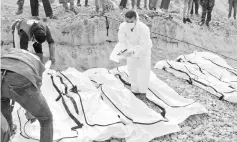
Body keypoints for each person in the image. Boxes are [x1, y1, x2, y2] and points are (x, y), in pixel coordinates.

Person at [1, 48, 53, 142]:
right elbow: (35, 91)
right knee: (46, 119)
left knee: (3, 99)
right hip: (21, 77)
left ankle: (9, 131)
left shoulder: (13, 50)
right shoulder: (38, 61)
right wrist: (30, 114)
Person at [117, 10, 152, 99]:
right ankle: (135, 90)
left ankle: (143, 91)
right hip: (131, 49)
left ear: (136, 19)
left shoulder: (144, 28)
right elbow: (122, 40)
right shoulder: (122, 27)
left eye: (131, 21)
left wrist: (133, 51)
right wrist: (123, 51)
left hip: (144, 51)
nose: (129, 23)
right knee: (132, 69)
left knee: (143, 70)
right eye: (127, 21)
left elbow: (143, 45)